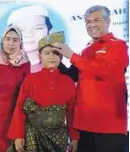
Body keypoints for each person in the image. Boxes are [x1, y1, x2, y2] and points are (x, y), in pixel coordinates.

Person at [53, 5, 129, 152]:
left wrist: (73, 56)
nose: (91, 25)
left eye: (96, 20)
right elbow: (72, 76)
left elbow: (105, 71)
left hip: (109, 126)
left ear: (108, 22)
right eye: (88, 22)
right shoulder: (86, 50)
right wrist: (56, 60)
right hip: (84, 125)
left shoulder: (118, 45)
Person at [8, 31, 79, 152]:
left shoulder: (68, 82)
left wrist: (74, 137)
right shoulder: (30, 79)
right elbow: (20, 108)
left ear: (61, 57)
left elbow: (72, 112)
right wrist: (18, 135)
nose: (51, 56)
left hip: (59, 138)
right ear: (40, 56)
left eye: (56, 53)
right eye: (46, 53)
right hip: (33, 136)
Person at [7, 5, 53, 73]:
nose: (29, 35)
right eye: (20, 30)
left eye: (38, 28)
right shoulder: (5, 69)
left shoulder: (57, 66)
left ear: (50, 31)